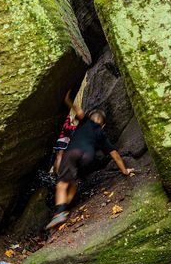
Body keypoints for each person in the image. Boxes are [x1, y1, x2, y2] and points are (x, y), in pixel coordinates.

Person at [45, 91, 135, 230]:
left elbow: (78, 111)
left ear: (90, 117)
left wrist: (68, 99)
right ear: (103, 125)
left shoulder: (84, 121)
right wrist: (125, 170)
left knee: (62, 184)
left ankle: (59, 213)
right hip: (88, 156)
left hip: (73, 153)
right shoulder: (101, 134)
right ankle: (65, 207)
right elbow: (115, 154)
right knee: (75, 181)